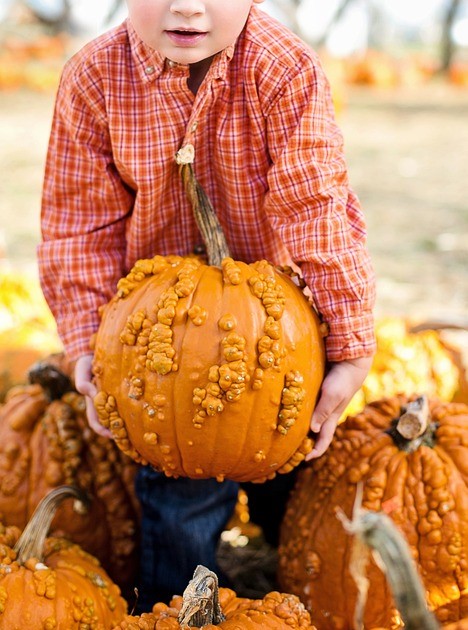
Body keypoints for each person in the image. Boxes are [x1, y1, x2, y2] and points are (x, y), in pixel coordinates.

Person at [38, 0, 376, 611]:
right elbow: (79, 225)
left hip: (280, 337)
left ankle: (297, 587)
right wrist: (87, 344)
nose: (187, 6)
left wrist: (350, 342)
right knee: (180, 490)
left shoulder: (283, 67)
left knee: (297, 477)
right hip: (164, 352)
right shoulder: (93, 77)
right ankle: (175, 611)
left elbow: (317, 207)